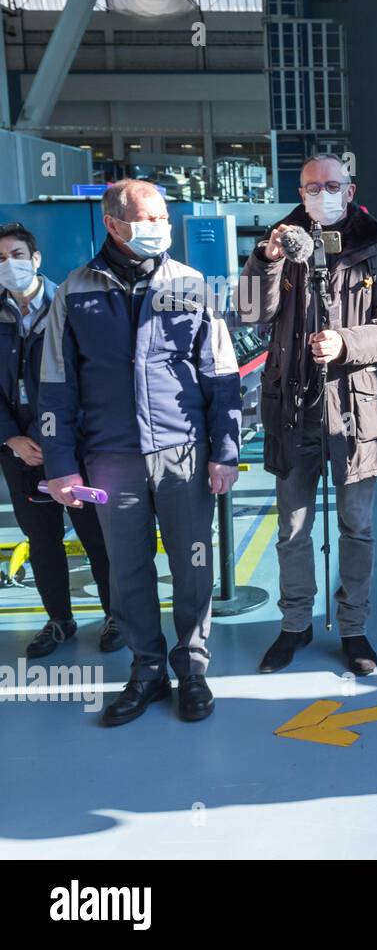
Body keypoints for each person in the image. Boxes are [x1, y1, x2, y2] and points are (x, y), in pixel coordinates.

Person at [41, 180, 242, 726]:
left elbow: (221, 377)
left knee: (193, 566)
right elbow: (56, 386)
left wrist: (225, 451)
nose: (161, 228)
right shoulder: (74, 292)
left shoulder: (193, 284)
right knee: (127, 571)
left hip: (182, 453)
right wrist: (61, 464)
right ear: (113, 223)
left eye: (164, 218)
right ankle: (148, 669)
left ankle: (192, 668)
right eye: (149, 218)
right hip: (111, 457)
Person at [238, 153, 377, 677]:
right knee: (292, 529)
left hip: (357, 416)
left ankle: (354, 625)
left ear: (350, 188)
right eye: (311, 187)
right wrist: (266, 259)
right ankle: (295, 625)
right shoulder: (281, 244)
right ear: (300, 191)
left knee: (356, 527)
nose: (321, 194)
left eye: (331, 185)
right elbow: (250, 311)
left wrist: (345, 342)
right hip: (292, 412)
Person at [0, 223, 116, 658]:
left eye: (15, 254)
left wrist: (49, 441)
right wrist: (11, 437)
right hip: (19, 453)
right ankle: (59, 620)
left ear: (35, 259)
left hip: (73, 448)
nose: (8, 264)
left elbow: (92, 382)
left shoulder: (72, 308)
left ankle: (114, 616)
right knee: (41, 540)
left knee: (96, 538)